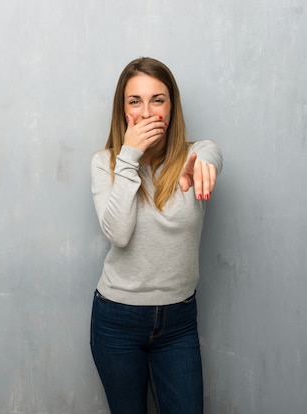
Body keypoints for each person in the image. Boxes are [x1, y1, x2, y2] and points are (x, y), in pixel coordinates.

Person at [89, 57, 223, 414]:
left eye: (157, 100)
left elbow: (210, 155)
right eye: (135, 101)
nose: (147, 112)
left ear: (172, 107)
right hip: (117, 320)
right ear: (123, 111)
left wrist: (205, 165)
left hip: (178, 322)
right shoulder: (105, 164)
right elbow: (119, 233)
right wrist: (130, 156)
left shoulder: (196, 157)